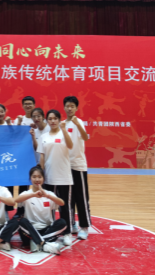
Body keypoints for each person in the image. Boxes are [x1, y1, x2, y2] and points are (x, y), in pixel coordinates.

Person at [37, 109, 74, 247]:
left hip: (64, 176)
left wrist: (64, 130)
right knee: (49, 207)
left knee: (65, 206)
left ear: (59, 120)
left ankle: (67, 232)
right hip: (49, 176)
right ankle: (51, 232)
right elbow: (42, 157)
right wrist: (40, 175)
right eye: (50, 119)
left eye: (55, 118)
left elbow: (70, 146)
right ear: (47, 120)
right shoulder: (43, 136)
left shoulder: (65, 133)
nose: (52, 121)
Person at [16, 166, 67, 255]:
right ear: (30, 179)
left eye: (39, 177)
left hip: (47, 230)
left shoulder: (49, 194)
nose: (37, 179)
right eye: (34, 177)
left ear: (43, 179)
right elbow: (16, 200)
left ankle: (37, 241)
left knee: (62, 222)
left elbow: (62, 203)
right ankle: (45, 244)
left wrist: (47, 196)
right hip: (30, 231)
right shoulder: (26, 194)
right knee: (22, 221)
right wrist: (33, 195)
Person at [63, 96, 91, 240]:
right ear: (64, 107)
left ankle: (84, 226)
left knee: (82, 197)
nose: (69, 108)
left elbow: (85, 137)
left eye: (72, 106)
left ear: (76, 108)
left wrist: (77, 124)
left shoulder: (78, 122)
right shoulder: (62, 124)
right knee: (70, 198)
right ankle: (72, 223)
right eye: (67, 106)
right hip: (65, 166)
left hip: (78, 165)